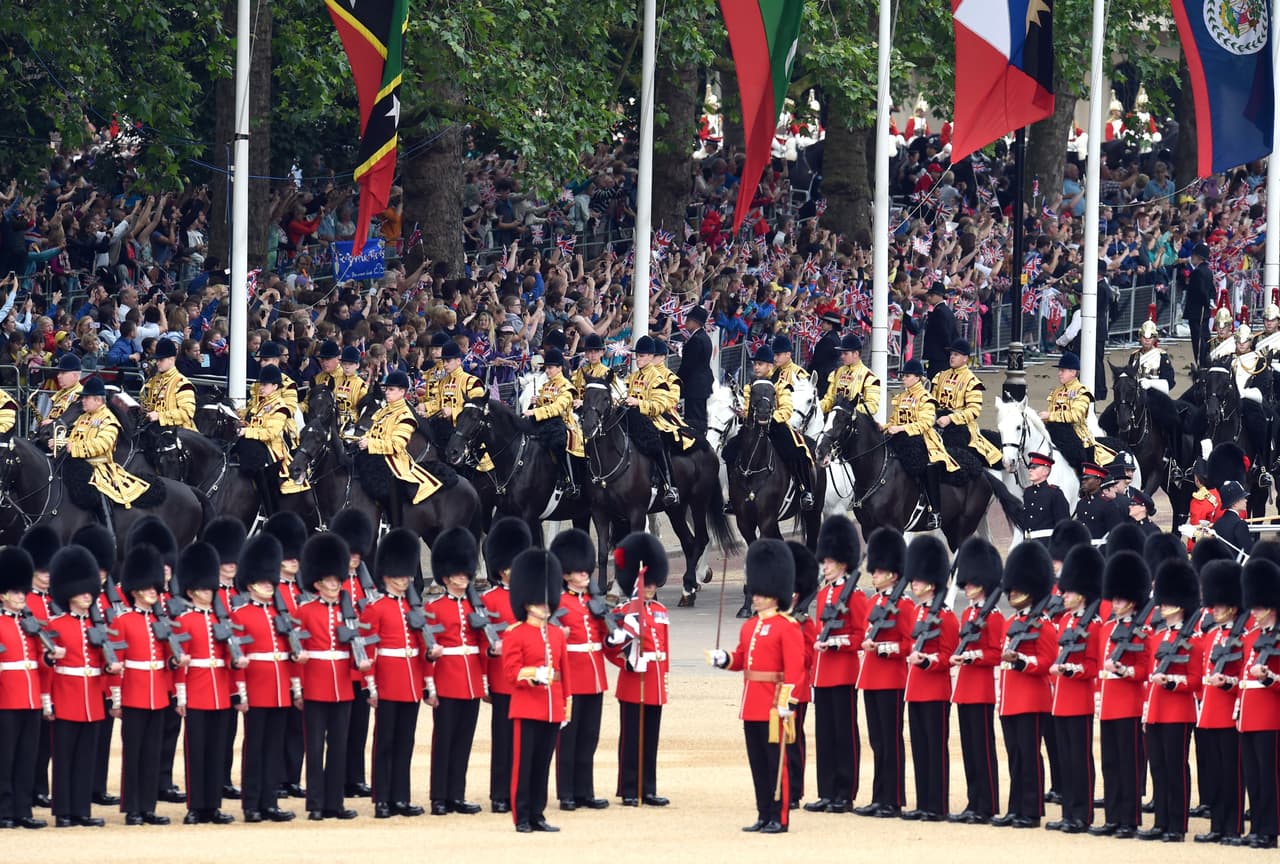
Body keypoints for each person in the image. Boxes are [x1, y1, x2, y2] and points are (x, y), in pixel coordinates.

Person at [708, 539, 805, 834]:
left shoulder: (787, 627)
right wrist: (724, 659)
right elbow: (742, 660)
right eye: (755, 592)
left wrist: (787, 703)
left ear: (775, 593)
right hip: (751, 705)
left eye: (761, 593)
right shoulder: (750, 626)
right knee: (758, 764)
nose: (756, 597)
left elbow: (795, 671)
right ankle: (764, 812)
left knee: (778, 764)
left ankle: (780, 816)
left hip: (776, 706)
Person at [361, 529, 438, 820]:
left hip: (410, 682)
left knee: (406, 742)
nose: (404, 579)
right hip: (387, 682)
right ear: (386, 576)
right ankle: (382, 798)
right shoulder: (375, 608)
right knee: (385, 742)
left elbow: (422, 648)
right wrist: (370, 686)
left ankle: (401, 797)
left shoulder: (413, 607)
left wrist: (428, 680)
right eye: (399, 575)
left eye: (406, 575)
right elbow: (369, 651)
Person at [228, 533, 299, 823]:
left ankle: (269, 802)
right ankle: (251, 803)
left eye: (271, 581)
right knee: (254, 747)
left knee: (273, 747)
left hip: (280, 688)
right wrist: (241, 693)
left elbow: (289, 655)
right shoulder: (240, 615)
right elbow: (237, 658)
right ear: (250, 583)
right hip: (256, 689)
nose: (269, 586)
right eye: (264, 581)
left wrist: (295, 688)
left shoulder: (279, 615)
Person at [113, 543, 184, 826]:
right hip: (133, 694)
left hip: (158, 695)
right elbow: (116, 662)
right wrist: (116, 699)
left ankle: (148, 806)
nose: (155, 591)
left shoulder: (160, 620)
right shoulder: (123, 621)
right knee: (134, 753)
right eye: (149, 587)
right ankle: (132, 807)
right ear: (135, 590)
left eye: (156, 587)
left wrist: (175, 668)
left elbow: (166, 659)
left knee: (153, 753)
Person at [294, 532, 363, 822]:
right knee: (315, 746)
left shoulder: (349, 612)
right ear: (318, 583)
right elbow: (297, 651)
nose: (334, 586)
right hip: (315, 685)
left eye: (337, 581)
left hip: (342, 686)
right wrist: (297, 688)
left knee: (338, 745)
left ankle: (335, 802)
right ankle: (315, 803)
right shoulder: (304, 611)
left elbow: (356, 650)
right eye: (329, 582)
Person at [46, 545, 117, 828]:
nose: (88, 595)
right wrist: (47, 701)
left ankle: (81, 810)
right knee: (64, 758)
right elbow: (48, 666)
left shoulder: (95, 625)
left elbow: (101, 661)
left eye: (90, 590)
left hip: (91, 699)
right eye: (82, 590)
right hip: (65, 697)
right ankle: (63, 810)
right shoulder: (57, 625)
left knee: (86, 757)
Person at [503, 548, 573, 833]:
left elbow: (564, 674)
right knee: (524, 765)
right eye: (540, 601)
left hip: (552, 708)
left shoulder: (556, 634)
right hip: (527, 706)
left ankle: (538, 814)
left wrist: (565, 707)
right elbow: (511, 672)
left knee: (543, 765)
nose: (546, 606)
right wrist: (534, 674)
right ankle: (521, 816)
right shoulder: (515, 633)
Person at [173, 541, 242, 826]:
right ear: (191, 591)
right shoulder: (184, 621)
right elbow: (179, 662)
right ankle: (195, 805)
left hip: (221, 692)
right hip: (197, 692)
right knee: (196, 752)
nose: (207, 593)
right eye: (202, 589)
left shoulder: (222, 619)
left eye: (209, 589)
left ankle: (212, 805)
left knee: (217, 751)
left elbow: (232, 657)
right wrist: (181, 696)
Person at [806, 515, 867, 814]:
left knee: (845, 734)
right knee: (825, 735)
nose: (825, 566)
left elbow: (860, 636)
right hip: (822, 674)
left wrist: (837, 643)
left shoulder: (854, 595)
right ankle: (827, 790)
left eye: (829, 562)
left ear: (843, 563)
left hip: (843, 673)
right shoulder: (822, 594)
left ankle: (845, 792)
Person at [605, 532, 670, 807]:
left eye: (654, 583)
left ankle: (648, 787)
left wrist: (663, 680)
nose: (651, 587)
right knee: (631, 737)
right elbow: (611, 649)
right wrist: (628, 662)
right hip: (633, 680)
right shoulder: (625, 611)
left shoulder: (660, 610)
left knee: (651, 739)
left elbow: (664, 650)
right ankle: (629, 788)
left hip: (654, 680)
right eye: (647, 582)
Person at [426, 527, 488, 816]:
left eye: (467, 573)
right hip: (447, 678)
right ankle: (439, 796)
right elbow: (428, 647)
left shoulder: (477, 607)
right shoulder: (434, 608)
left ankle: (457, 794)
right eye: (459, 574)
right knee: (444, 739)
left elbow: (482, 646)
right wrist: (430, 684)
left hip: (471, 679)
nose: (464, 577)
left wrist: (484, 679)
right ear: (447, 575)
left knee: (464, 741)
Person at [994, 541, 1056, 829]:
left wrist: (1020, 661)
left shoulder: (1043, 625)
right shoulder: (1010, 622)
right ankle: (1015, 806)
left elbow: (1046, 662)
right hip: (1009, 699)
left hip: (1031, 699)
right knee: (1015, 756)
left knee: (1030, 755)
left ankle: (1031, 810)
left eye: (1019, 588)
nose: (1014, 593)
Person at [1092, 550, 1153, 838]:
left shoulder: (1140, 632)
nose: (1114, 604)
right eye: (1113, 598)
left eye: (1119, 599)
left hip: (1128, 706)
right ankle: (1114, 816)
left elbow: (1143, 670)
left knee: (1129, 766)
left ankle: (1129, 819)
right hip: (1108, 706)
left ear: (1131, 600)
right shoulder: (1107, 629)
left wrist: (1124, 671)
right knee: (1111, 764)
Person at [1046, 544, 1105, 834]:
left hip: (1079, 699)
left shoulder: (1093, 624)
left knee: (1080, 760)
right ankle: (1069, 811)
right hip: (1061, 699)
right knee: (1067, 760)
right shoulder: (1066, 621)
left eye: (1068, 592)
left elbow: (1094, 666)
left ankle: (1083, 813)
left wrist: (1071, 670)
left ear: (1081, 592)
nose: (1063, 595)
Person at [1142, 558, 1202, 843]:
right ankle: (1162, 821)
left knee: (1176, 768)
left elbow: (1195, 679)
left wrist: (1172, 683)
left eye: (1167, 602)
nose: (1162, 606)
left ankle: (1177, 824)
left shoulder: (1192, 639)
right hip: (1155, 710)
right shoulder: (1157, 637)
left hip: (1178, 711)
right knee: (1159, 768)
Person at [550, 528, 610, 811]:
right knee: (569, 738)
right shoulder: (558, 604)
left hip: (595, 677)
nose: (585, 574)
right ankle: (567, 792)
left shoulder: (592, 602)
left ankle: (586, 790)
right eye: (578, 570)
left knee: (590, 736)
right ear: (565, 573)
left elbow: (604, 640)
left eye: (585, 569)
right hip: (571, 679)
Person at [853, 527, 911, 818]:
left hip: (891, 679)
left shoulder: (904, 604)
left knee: (891, 738)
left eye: (879, 571)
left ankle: (894, 797)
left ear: (893, 573)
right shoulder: (874, 602)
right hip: (871, 678)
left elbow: (909, 643)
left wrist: (886, 649)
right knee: (877, 740)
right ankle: (879, 796)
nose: (873, 575)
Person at [948, 537, 1005, 825]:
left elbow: (996, 654)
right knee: (970, 751)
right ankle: (974, 802)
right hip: (965, 690)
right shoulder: (968, 613)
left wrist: (971, 658)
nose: (966, 586)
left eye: (971, 582)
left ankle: (988, 802)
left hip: (981, 690)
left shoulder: (993, 617)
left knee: (983, 749)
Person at [902, 536, 957, 821]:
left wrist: (927, 661)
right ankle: (923, 802)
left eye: (920, 581)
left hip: (935, 690)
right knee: (921, 750)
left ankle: (938, 804)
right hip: (916, 690)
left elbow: (948, 656)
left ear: (932, 584)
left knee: (936, 749)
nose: (914, 584)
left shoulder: (946, 617)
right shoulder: (915, 612)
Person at [481, 518, 532, 814]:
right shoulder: (489, 599)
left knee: (526, 740)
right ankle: (499, 793)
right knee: (503, 739)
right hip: (501, 679)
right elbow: (484, 646)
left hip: (528, 679)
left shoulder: (531, 598)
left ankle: (521, 790)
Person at [1197, 558, 1246, 845]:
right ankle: (1218, 824)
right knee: (1216, 773)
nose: (1214, 609)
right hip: (1210, 711)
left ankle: (1233, 825)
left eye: (1219, 605)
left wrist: (1227, 685)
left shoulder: (1239, 637)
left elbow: (1238, 675)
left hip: (1229, 712)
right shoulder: (1213, 634)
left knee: (1231, 773)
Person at [355, 370, 443, 526]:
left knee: (388, 488)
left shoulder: (406, 416)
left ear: (402, 392)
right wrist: (364, 438)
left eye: (391, 389)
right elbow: (372, 432)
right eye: (386, 389)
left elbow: (397, 445)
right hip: (374, 455)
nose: (387, 393)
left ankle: (394, 525)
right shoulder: (383, 411)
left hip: (394, 461)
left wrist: (371, 444)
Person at [0, 546, 46, 830]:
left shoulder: (30, 625)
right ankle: (4, 810)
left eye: (22, 592)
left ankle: (22, 809)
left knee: (28, 757)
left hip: (31, 700)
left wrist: (50, 657)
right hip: (6, 700)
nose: (21, 596)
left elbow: (37, 661)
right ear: (3, 593)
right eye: (16, 592)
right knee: (5, 758)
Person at [1236, 557, 1280, 849]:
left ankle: (1271, 829)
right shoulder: (1253, 635)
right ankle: (1257, 828)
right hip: (1249, 714)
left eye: (1260, 607)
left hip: (1270, 716)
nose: (1255, 612)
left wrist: (1270, 678)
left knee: (1270, 776)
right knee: (1253, 775)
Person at [740, 345, 817, 510]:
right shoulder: (749, 386)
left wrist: (769, 419)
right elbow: (747, 408)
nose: (756, 367)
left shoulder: (781, 384)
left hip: (776, 427)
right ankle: (736, 495)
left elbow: (787, 409)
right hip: (754, 427)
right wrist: (747, 415)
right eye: (755, 364)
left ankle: (805, 490)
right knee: (731, 450)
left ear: (770, 366)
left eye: (760, 364)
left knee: (797, 452)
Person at [884, 359, 958, 530]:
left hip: (923, 440)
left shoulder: (926, 399)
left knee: (927, 466)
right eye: (903, 376)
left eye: (907, 376)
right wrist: (884, 427)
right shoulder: (901, 397)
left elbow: (925, 424)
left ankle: (935, 511)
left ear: (917, 378)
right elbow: (894, 421)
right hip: (899, 439)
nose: (903, 379)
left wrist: (901, 428)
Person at [63, 376, 151, 520]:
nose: (82, 401)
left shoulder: (108, 419)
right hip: (78, 462)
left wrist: (74, 448)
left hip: (100, 468)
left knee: (99, 494)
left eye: (86, 398)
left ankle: (109, 530)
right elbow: (73, 439)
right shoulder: (84, 417)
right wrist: (60, 443)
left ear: (98, 400)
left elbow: (102, 445)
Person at [624, 335, 696, 506]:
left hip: (657, 417)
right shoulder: (634, 376)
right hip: (632, 416)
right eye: (638, 355)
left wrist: (638, 403)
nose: (639, 359)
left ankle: (670, 485)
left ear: (654, 356)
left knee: (658, 443)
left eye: (642, 355)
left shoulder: (661, 378)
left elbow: (664, 403)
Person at [236, 365, 310, 513]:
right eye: (260, 384)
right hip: (256, 444)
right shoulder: (261, 404)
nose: (261, 387)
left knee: (264, 475)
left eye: (264, 384)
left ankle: (269, 511)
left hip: (273, 450)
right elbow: (256, 424)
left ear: (275, 386)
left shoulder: (280, 407)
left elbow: (271, 433)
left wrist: (247, 431)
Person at [930, 339, 1002, 469]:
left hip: (960, 427)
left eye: (956, 355)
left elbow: (973, 411)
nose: (952, 357)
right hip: (936, 421)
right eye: (951, 354)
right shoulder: (940, 376)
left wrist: (950, 418)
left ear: (965, 358)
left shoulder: (972, 381)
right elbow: (932, 402)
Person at [523, 349, 583, 497]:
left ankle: (569, 479)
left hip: (562, 424)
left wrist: (536, 412)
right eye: (546, 368)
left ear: (559, 368)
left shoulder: (567, 387)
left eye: (550, 368)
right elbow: (545, 404)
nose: (547, 371)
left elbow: (557, 408)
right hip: (544, 421)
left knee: (558, 442)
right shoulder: (546, 385)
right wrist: (536, 402)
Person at [1040, 352, 1114, 470]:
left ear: (1073, 372)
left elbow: (1075, 416)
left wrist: (1050, 415)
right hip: (1055, 432)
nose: (1059, 374)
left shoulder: (1082, 392)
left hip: (1078, 437)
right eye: (1059, 370)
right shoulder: (1056, 392)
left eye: (1063, 370)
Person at [306, 343, 367, 432]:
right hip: (328, 422)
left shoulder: (361, 385)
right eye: (345, 363)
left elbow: (363, 411)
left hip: (350, 425)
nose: (347, 367)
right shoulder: (334, 380)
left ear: (357, 365)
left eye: (350, 364)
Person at [138, 338, 196, 431]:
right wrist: (143, 407)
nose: (157, 363)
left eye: (161, 360)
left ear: (171, 359)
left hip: (180, 434)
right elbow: (148, 403)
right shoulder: (153, 380)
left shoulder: (182, 383)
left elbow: (187, 413)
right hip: (156, 430)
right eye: (156, 359)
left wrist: (159, 416)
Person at [818, 333, 881, 417]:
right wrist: (817, 407)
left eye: (845, 353)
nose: (842, 356)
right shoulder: (837, 372)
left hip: (856, 424)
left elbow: (872, 406)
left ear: (856, 354)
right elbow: (830, 399)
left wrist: (849, 411)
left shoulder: (869, 377)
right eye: (842, 353)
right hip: (835, 422)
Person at [907, 282, 958, 380]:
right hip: (942, 356)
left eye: (932, 295)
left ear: (939, 296)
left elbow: (945, 335)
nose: (929, 297)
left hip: (940, 356)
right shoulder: (945, 310)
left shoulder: (940, 312)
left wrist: (948, 353)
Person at [677, 306, 713, 436]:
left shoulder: (696, 340)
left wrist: (676, 380)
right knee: (699, 418)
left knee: (694, 420)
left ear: (696, 322)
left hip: (695, 386)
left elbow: (688, 366)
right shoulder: (703, 337)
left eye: (688, 319)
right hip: (700, 385)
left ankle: (696, 443)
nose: (686, 322)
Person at [1020, 452, 1070, 544]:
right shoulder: (1027, 492)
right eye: (1030, 467)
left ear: (1045, 472)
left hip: (1048, 544)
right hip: (1029, 543)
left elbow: (1063, 524)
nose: (1030, 470)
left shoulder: (1055, 493)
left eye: (1034, 468)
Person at [248, 341, 299, 425]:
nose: (262, 363)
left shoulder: (288, 384)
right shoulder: (256, 384)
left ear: (276, 361)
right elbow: (251, 406)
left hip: (280, 426)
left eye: (265, 360)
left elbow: (290, 410)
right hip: (256, 425)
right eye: (261, 360)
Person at [1128, 308, 1175, 392]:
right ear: (1140, 337)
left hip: (1156, 395)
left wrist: (1151, 384)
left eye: (1150, 337)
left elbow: (1169, 382)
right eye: (1144, 337)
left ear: (1155, 339)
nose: (1147, 340)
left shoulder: (1162, 356)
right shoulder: (1134, 356)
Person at [1184, 244, 1215, 365]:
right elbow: (1212, 289)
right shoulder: (1207, 271)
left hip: (1197, 311)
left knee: (1198, 339)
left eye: (1194, 255)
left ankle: (1201, 363)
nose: (1192, 257)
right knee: (1204, 337)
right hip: (1203, 310)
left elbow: (1202, 290)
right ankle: (1204, 362)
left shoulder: (1198, 272)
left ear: (1199, 257)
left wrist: (1207, 302)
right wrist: (1211, 301)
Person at [37, 354, 84, 428]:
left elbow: (81, 422)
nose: (58, 376)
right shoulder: (60, 393)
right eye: (59, 373)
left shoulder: (82, 395)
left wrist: (53, 423)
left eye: (63, 373)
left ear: (75, 375)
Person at [807, 312, 844, 398]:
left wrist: (808, 373)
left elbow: (818, 360)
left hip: (822, 376)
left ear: (830, 325)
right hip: (829, 374)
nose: (822, 324)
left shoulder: (828, 340)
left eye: (824, 322)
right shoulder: (835, 338)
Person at [1187, 460, 1222, 550]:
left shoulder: (1199, 500)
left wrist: (1191, 550)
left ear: (1197, 480)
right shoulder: (1218, 494)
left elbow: (1196, 530)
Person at [1212, 481, 1253, 556]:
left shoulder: (1217, 523)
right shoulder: (1239, 524)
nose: (1246, 500)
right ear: (1234, 504)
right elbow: (1248, 551)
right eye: (1242, 498)